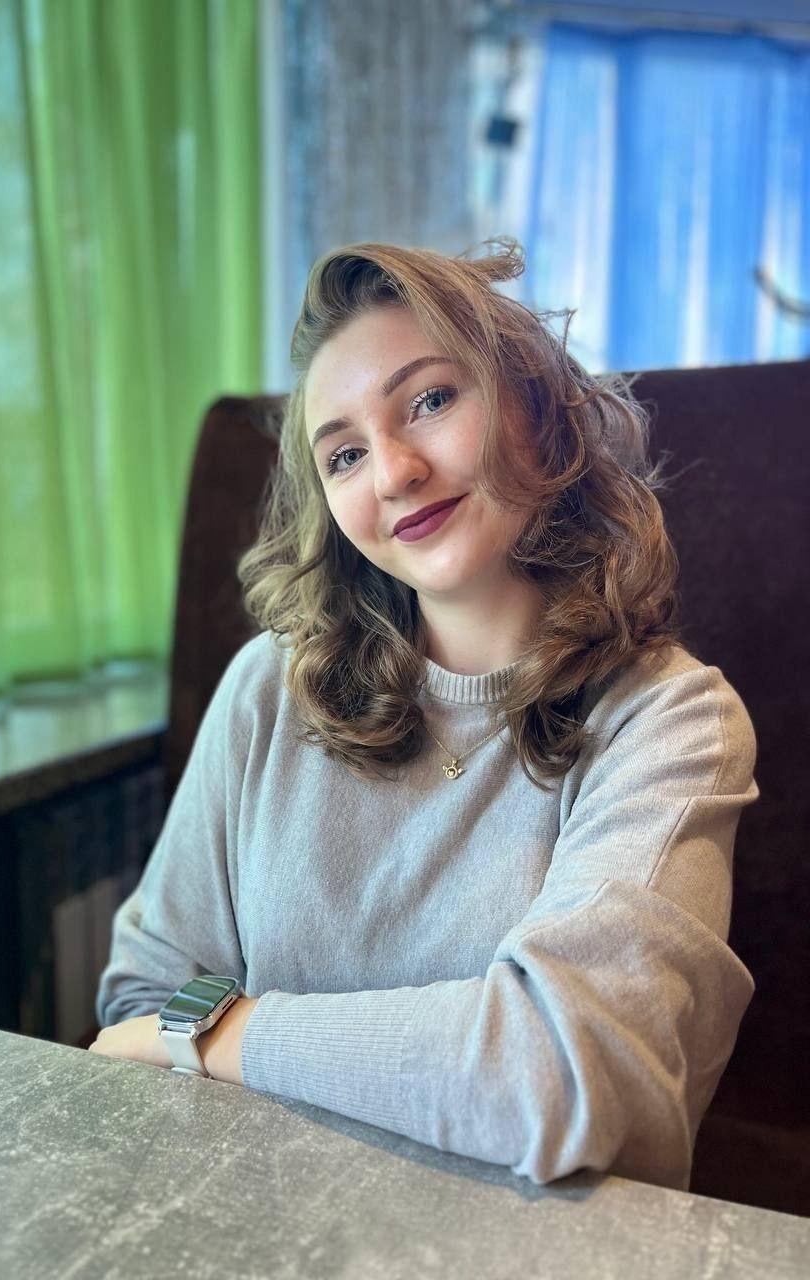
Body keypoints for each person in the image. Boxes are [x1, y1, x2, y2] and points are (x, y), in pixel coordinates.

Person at [91, 238, 758, 1192]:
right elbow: (146, 995)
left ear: (535, 408)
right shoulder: (266, 690)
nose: (394, 472)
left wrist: (229, 1033)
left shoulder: (672, 720)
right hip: (271, 1218)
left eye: (431, 401)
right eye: (345, 454)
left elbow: (566, 1074)